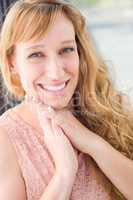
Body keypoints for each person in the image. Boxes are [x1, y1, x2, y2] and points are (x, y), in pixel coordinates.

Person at [0, 0, 133, 199]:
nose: (55, 72)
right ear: (12, 64)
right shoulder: (6, 135)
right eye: (36, 54)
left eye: (66, 50)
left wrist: (92, 143)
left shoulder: (115, 106)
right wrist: (64, 172)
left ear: (79, 52)